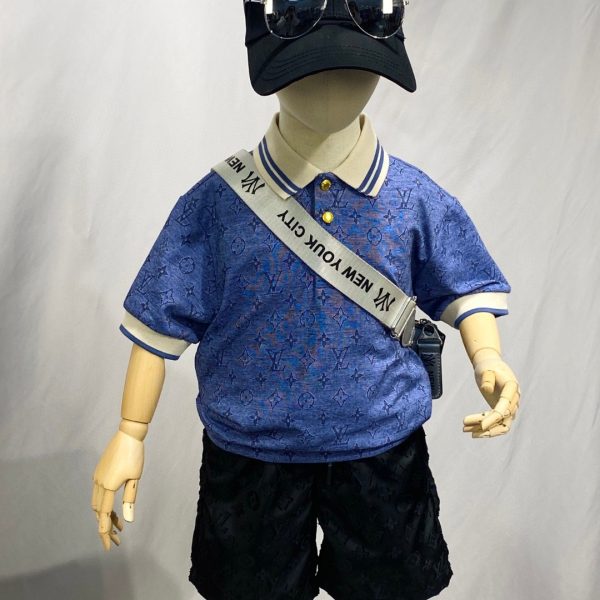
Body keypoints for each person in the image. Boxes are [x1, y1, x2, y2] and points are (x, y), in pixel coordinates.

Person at [92, 2, 521, 598]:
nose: (331, 86)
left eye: (355, 69)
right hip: (252, 452)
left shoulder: (411, 197)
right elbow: (160, 318)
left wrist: (488, 357)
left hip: (382, 447)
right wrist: (130, 431)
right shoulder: (217, 205)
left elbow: (465, 282)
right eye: (307, 68)